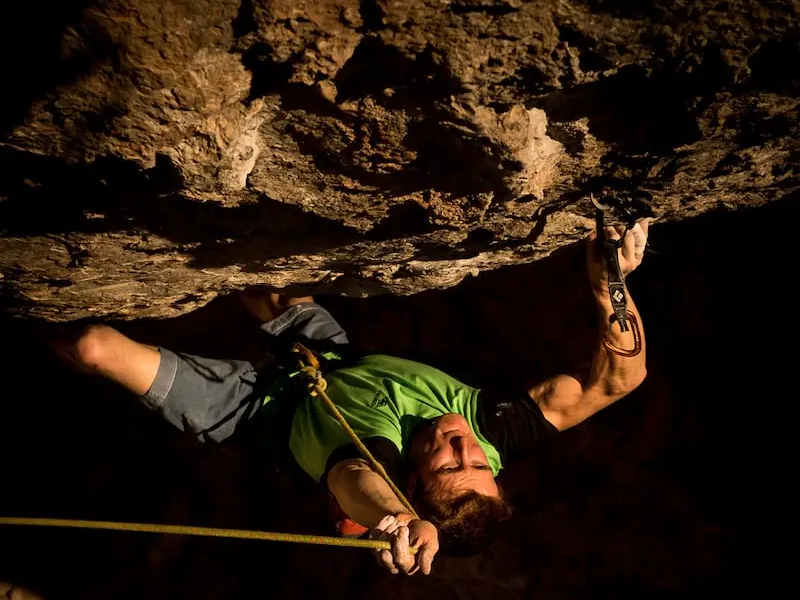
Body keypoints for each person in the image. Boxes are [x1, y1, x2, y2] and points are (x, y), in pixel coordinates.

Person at [58, 220, 650, 576]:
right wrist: (610, 284)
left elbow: (359, 485)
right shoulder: (491, 431)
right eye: (479, 464)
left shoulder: (380, 470)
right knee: (241, 254)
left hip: (249, 412)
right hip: (326, 354)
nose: (462, 443)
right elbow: (615, 382)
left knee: (92, 347)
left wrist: (400, 524)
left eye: (450, 462)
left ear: (414, 484)